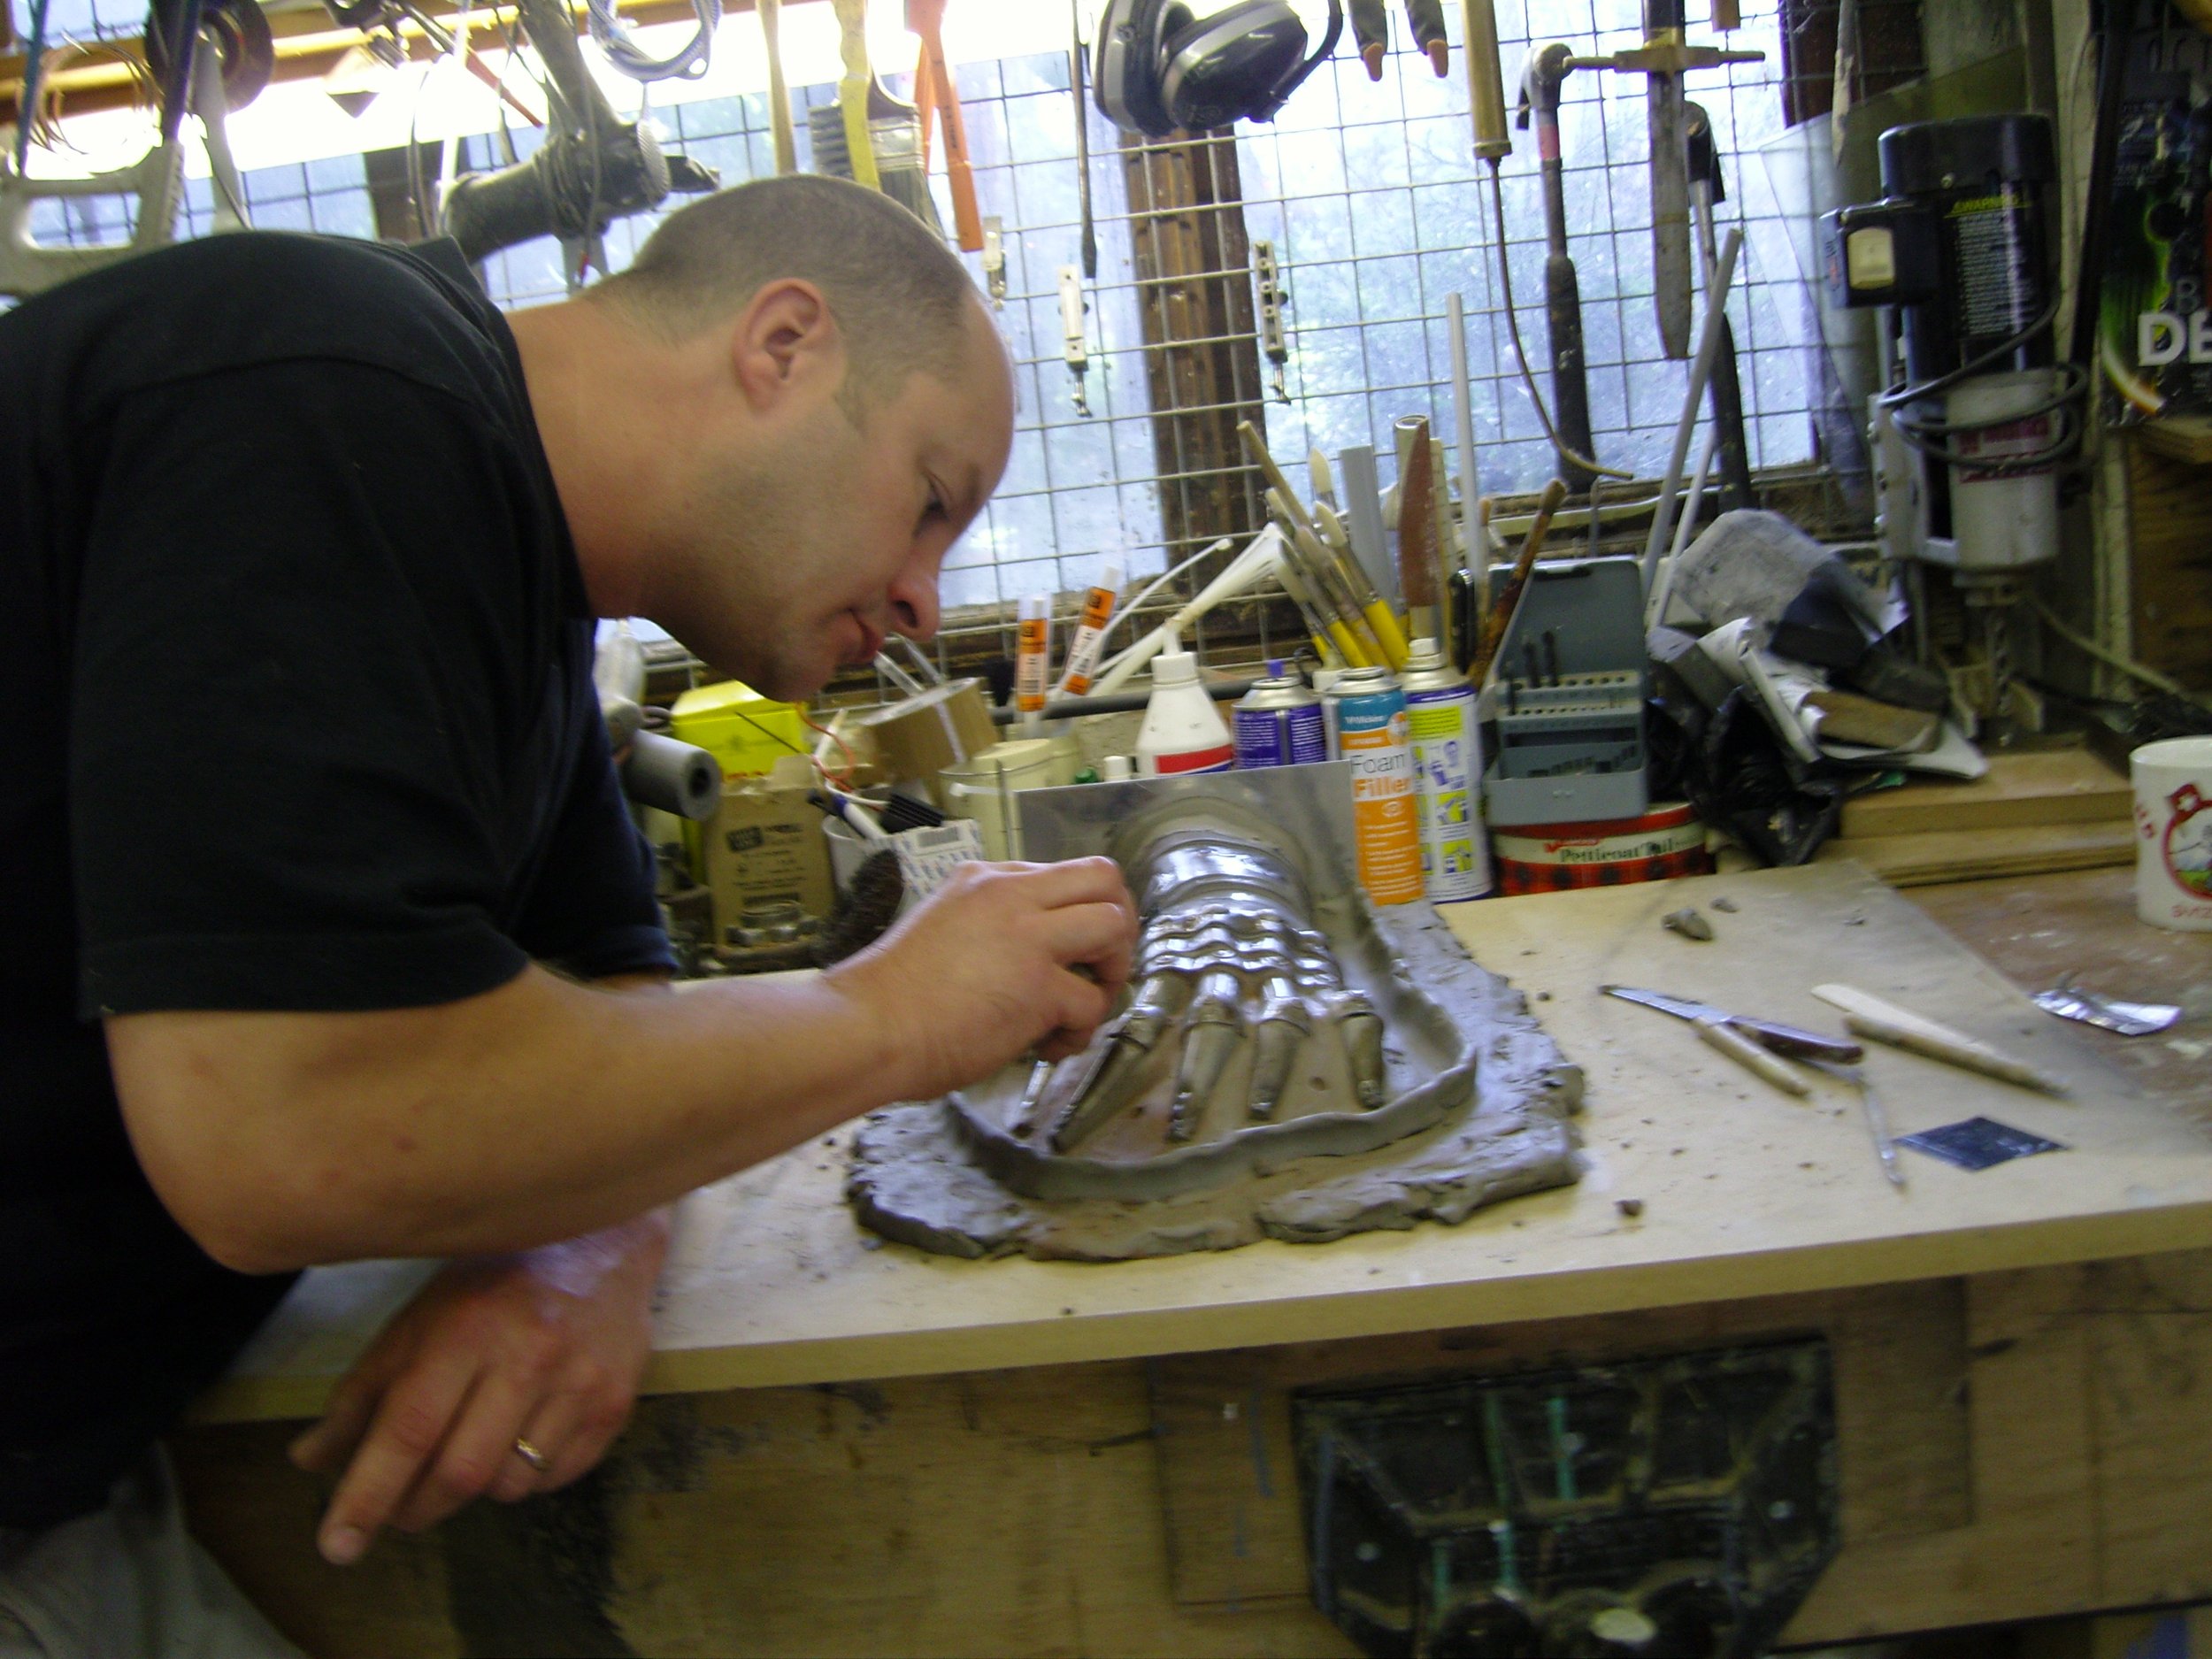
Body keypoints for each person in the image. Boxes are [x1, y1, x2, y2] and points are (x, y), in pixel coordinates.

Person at [0, 173, 1136, 1655]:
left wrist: (581, 1250)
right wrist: (891, 1014)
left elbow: (618, 985)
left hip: (72, 1474)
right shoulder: (328, 393)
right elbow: (281, 1129)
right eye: (929, 500)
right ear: (782, 345)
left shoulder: (529, 603)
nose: (924, 596)